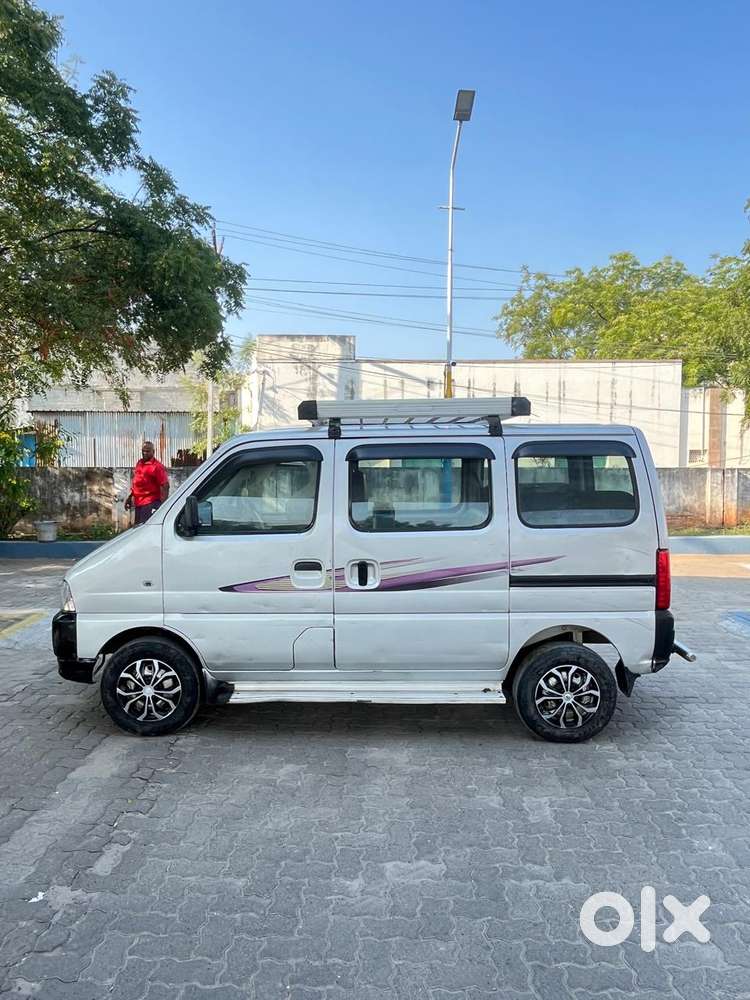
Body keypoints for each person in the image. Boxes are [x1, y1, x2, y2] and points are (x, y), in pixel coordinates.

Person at [125, 441, 170, 525]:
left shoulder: (157, 466)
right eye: (143, 451)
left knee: (145, 530)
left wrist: (164, 506)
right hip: (138, 503)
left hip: (150, 503)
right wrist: (130, 497)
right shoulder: (140, 463)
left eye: (148, 451)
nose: (144, 453)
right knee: (137, 530)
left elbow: (165, 485)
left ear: (153, 451)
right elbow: (137, 482)